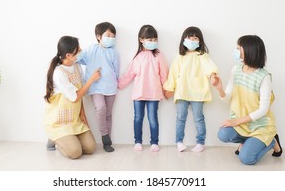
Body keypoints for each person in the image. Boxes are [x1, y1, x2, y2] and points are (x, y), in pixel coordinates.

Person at [213, 35, 282, 165]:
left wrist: (236, 122)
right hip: (242, 123)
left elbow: (263, 110)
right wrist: (219, 88)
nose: (236, 50)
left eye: (239, 48)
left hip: (260, 126)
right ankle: (247, 140)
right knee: (223, 134)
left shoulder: (264, 77)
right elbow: (227, 98)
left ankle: (272, 141)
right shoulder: (236, 69)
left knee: (246, 159)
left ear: (250, 51)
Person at [44, 35, 101, 159]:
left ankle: (69, 139)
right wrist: (91, 80)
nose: (81, 52)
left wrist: (82, 114)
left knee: (90, 148)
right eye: (78, 50)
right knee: (75, 153)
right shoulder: (59, 73)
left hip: (74, 118)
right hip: (60, 122)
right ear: (69, 55)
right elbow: (75, 97)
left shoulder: (77, 66)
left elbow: (80, 95)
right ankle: (54, 138)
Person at [163, 26, 218, 152]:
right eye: (189, 38)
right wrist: (169, 88)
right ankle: (179, 141)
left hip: (198, 93)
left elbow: (210, 68)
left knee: (199, 118)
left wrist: (213, 76)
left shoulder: (202, 56)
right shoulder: (180, 57)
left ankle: (200, 142)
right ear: (183, 40)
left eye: (195, 38)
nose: (192, 40)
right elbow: (173, 73)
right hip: (182, 92)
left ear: (199, 41)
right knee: (180, 117)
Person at [118, 24, 169, 152]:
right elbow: (129, 74)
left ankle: (154, 142)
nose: (153, 42)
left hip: (154, 93)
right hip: (138, 94)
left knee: (153, 118)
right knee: (138, 118)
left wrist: (167, 89)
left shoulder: (159, 55)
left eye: (154, 40)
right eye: (150, 40)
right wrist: (119, 84)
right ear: (141, 40)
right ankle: (138, 141)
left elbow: (164, 74)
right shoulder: (137, 57)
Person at [78, 22, 119, 152]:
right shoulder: (91, 49)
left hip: (111, 87)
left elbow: (116, 70)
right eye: (108, 35)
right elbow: (78, 59)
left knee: (108, 114)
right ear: (98, 36)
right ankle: (104, 135)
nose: (111, 38)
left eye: (113, 36)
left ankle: (107, 142)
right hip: (95, 87)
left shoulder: (114, 52)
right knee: (100, 108)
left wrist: (115, 82)